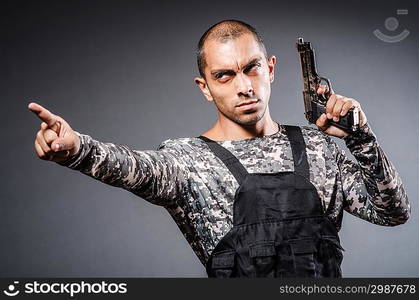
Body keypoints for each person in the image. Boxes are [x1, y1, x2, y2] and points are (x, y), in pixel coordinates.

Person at [28, 20, 410, 277]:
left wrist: (362, 137)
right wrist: (76, 148)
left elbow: (393, 213)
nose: (243, 86)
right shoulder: (188, 163)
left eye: (252, 68)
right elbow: (130, 165)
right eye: (224, 75)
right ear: (205, 86)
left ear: (271, 69)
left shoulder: (319, 148)